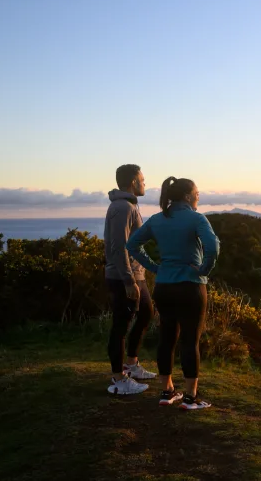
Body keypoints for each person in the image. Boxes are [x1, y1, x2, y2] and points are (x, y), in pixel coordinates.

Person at [127, 177, 220, 410]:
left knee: (167, 338)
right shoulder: (197, 218)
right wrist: (203, 270)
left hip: (164, 286)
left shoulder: (158, 219)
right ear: (188, 196)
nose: (199, 197)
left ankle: (167, 392)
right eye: (197, 193)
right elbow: (213, 247)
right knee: (190, 341)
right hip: (190, 286)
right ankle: (190, 398)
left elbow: (131, 245)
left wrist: (156, 268)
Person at [104, 164, 157, 396]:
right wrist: (128, 281)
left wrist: (151, 268)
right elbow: (118, 248)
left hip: (135, 274)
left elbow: (134, 246)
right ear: (133, 182)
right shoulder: (123, 207)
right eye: (143, 180)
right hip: (124, 277)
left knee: (146, 312)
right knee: (121, 326)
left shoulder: (128, 205)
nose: (145, 184)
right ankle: (118, 379)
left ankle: (131, 364)